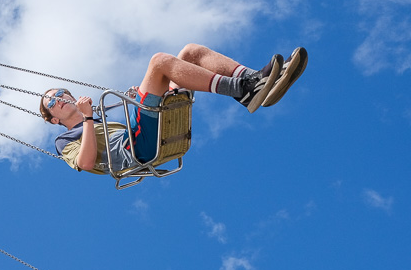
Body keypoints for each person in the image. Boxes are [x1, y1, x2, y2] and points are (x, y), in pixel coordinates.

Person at [40, 44, 308, 175]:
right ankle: (245, 88)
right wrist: (87, 117)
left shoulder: (98, 119)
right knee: (159, 63)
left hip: (140, 136)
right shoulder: (64, 139)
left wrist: (137, 99)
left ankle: (254, 82)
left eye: (61, 93)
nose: (59, 99)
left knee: (190, 52)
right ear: (53, 119)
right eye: (52, 102)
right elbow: (86, 163)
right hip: (134, 149)